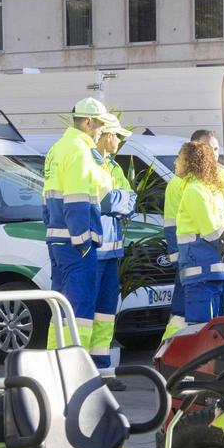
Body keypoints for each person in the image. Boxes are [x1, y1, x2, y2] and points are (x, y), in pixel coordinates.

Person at [42, 97, 111, 349]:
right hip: (76, 244)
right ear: (89, 122)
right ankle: (74, 364)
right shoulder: (80, 151)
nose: (102, 129)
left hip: (58, 240)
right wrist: (83, 242)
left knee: (61, 305)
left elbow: (47, 198)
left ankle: (55, 357)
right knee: (79, 308)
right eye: (101, 124)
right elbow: (77, 201)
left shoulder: (57, 148)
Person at [90, 113, 137, 382]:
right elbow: (108, 203)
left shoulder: (114, 168)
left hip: (112, 252)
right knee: (86, 312)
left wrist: (118, 201)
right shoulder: (92, 164)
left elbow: (130, 202)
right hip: (93, 251)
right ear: (106, 135)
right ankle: (84, 369)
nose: (119, 140)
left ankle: (102, 367)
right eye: (117, 135)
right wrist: (118, 201)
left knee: (106, 312)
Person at [162, 129, 219, 340]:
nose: (213, 153)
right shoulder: (179, 184)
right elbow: (171, 225)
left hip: (203, 259)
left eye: (216, 148)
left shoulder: (215, 178)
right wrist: (178, 260)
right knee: (183, 312)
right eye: (208, 148)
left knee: (204, 317)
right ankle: (169, 349)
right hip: (193, 260)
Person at [175, 140, 224, 324]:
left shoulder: (194, 191)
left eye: (180, 158)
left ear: (191, 162)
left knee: (200, 330)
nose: (176, 162)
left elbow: (212, 232)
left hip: (200, 274)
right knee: (212, 329)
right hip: (212, 272)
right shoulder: (208, 189)